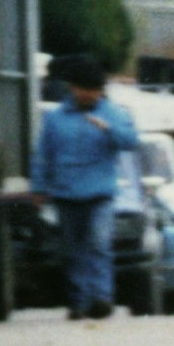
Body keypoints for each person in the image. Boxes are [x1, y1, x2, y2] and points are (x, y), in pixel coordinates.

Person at [31, 56, 141, 321]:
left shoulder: (114, 114)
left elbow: (131, 142)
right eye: (84, 89)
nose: (90, 95)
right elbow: (42, 154)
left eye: (95, 90)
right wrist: (39, 187)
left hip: (100, 194)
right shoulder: (56, 119)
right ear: (73, 88)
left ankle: (102, 298)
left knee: (99, 244)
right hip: (66, 194)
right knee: (72, 251)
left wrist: (109, 130)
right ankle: (78, 302)